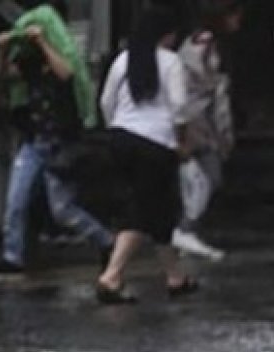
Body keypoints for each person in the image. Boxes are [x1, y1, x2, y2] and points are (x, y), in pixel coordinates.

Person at [0, 0, 113, 282]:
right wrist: (4, 48)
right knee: (16, 200)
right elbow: (4, 73)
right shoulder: (29, 63)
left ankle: (106, 241)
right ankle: (12, 257)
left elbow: (65, 73)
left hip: (60, 144)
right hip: (35, 141)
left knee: (63, 210)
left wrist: (43, 42)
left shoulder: (60, 58)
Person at [94, 6, 196, 305]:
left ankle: (174, 276)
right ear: (167, 34)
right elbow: (179, 107)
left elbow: (106, 101)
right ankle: (111, 276)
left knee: (160, 211)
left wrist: (116, 126)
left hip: (122, 138)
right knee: (143, 211)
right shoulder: (171, 62)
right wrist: (182, 141)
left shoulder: (124, 59)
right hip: (155, 144)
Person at [172, 0, 243, 262]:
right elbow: (213, 90)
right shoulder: (207, 46)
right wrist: (224, 134)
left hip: (192, 118)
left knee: (198, 179)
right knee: (209, 177)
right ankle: (186, 228)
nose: (238, 22)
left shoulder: (196, 41)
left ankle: (186, 230)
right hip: (198, 121)